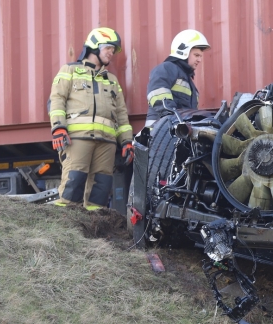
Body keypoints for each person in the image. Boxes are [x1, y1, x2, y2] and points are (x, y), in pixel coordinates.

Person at [49, 27, 134, 210]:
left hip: (106, 142)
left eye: (113, 50)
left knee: (101, 192)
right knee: (73, 186)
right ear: (94, 47)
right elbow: (56, 100)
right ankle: (64, 232)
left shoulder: (111, 80)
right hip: (77, 138)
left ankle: (93, 234)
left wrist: (127, 141)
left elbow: (121, 113)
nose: (111, 53)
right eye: (108, 48)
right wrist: (58, 128)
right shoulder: (69, 70)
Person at [145, 29, 211, 127]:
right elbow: (159, 97)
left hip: (176, 134)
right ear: (183, 51)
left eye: (201, 56)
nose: (199, 60)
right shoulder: (167, 68)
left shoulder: (189, 83)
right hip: (159, 133)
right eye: (196, 55)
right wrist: (174, 119)